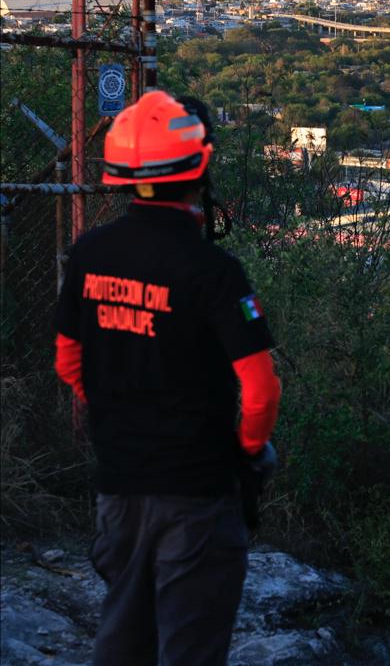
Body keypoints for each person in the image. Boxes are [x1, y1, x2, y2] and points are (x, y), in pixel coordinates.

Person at [53, 90, 282, 666]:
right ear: (200, 166)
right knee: (191, 645)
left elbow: (67, 361)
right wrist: (248, 451)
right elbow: (260, 388)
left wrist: (116, 410)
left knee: (122, 635)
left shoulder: (89, 252)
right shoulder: (214, 270)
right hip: (197, 491)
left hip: (119, 481)